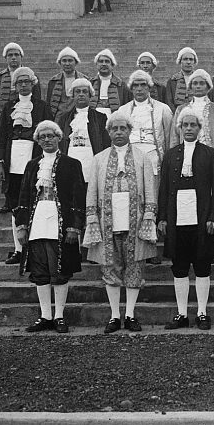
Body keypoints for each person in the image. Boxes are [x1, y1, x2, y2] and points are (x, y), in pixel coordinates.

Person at [83, 110, 158, 333]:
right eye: (114, 129)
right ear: (108, 132)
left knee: (134, 265)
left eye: (122, 128)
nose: (118, 132)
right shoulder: (99, 158)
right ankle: (115, 315)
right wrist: (92, 218)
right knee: (110, 265)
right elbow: (92, 191)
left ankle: (130, 314)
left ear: (130, 131)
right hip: (108, 219)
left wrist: (149, 216)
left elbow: (149, 189)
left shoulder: (142, 157)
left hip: (134, 219)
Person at [157, 107, 214, 330]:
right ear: (179, 128)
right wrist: (162, 218)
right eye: (185, 125)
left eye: (193, 125)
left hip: (202, 216)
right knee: (179, 266)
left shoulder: (210, 154)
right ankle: (181, 313)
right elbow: (164, 188)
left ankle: (202, 312)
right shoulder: (170, 156)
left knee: (203, 265)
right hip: (177, 216)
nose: (188, 128)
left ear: (199, 128)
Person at [15, 120, 86, 333]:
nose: (47, 140)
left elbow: (77, 196)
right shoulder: (31, 165)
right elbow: (24, 196)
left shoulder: (72, 164)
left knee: (60, 267)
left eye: (51, 136)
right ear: (37, 141)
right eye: (43, 137)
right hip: (36, 220)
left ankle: (59, 316)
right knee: (40, 268)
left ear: (59, 138)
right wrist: (21, 225)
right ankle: (45, 315)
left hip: (60, 220)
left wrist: (74, 226)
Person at [0, 67, 52, 265]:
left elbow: (48, 135)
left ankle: (35, 249)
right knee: (16, 205)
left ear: (33, 83)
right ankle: (18, 249)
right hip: (13, 161)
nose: (24, 85)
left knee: (35, 203)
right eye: (20, 82)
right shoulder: (9, 107)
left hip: (34, 159)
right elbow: (1, 138)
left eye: (27, 81)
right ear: (15, 85)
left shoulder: (42, 107)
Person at [170, 69, 214, 178]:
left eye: (202, 83)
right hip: (186, 154)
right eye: (195, 83)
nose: (198, 86)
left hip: (210, 156)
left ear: (208, 86)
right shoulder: (181, 109)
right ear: (190, 87)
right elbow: (175, 136)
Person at [117, 70, 173, 183]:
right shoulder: (123, 110)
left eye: (143, 85)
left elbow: (169, 137)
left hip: (153, 155)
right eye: (135, 85)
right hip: (129, 154)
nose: (139, 88)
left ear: (149, 87)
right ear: (131, 88)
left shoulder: (163, 109)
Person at [0, 42, 42, 153]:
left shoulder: (32, 77)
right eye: (10, 55)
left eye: (16, 55)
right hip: (3, 122)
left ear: (21, 57)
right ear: (5, 58)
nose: (13, 58)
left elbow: (38, 102)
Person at [57, 78, 110, 188]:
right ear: (73, 95)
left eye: (84, 92)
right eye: (78, 92)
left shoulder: (100, 118)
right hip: (71, 159)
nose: (81, 95)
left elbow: (105, 145)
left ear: (90, 95)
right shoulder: (64, 119)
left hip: (91, 161)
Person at [45, 46, 87, 119]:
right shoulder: (53, 81)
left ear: (76, 62)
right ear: (60, 63)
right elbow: (49, 104)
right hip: (59, 119)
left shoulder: (84, 80)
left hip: (78, 117)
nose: (67, 64)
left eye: (70, 60)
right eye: (64, 61)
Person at [90, 49, 130, 117]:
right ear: (96, 64)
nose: (104, 64)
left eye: (107, 61)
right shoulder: (90, 84)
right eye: (101, 61)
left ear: (112, 65)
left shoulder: (121, 85)